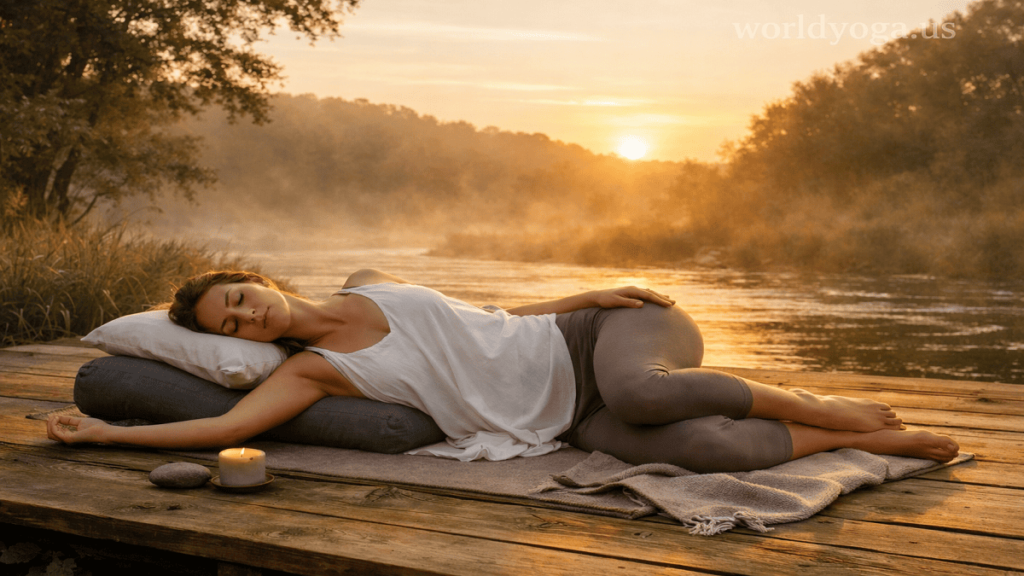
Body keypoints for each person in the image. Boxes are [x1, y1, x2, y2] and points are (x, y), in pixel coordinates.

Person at [48, 269, 960, 473]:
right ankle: (866, 448)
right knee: (699, 450)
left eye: (242, 295)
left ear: (261, 278)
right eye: (230, 323)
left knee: (646, 392)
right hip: (558, 417)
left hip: (596, 342)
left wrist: (591, 294)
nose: (248, 316)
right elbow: (219, 430)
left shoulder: (373, 282)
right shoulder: (315, 372)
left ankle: (825, 407)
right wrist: (104, 432)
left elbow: (490, 320)